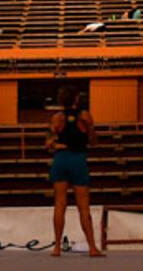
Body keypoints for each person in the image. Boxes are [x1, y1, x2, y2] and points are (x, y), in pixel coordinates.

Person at [46, 85, 102, 257]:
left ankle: (56, 248)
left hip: (61, 159)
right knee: (83, 205)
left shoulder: (57, 118)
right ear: (76, 99)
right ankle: (92, 247)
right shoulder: (85, 116)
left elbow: (48, 144)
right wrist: (89, 128)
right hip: (77, 159)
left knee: (60, 203)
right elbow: (93, 142)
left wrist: (58, 145)